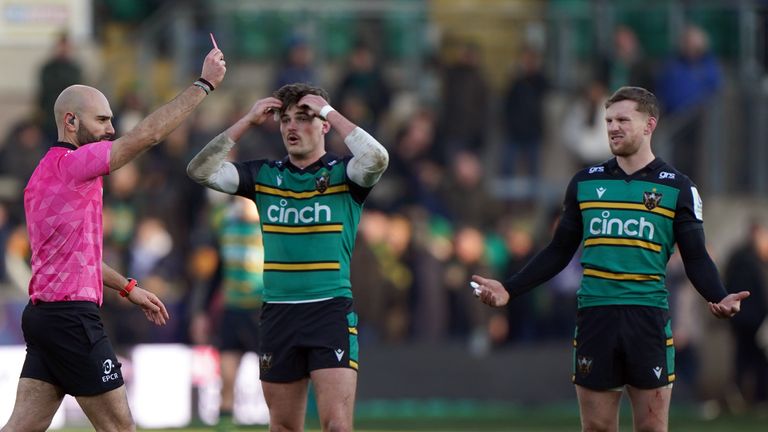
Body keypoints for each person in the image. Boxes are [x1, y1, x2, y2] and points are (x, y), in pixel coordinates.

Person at [471, 86, 750, 432]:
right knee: (597, 428)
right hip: (595, 318)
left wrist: (716, 294)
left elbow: (695, 256)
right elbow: (558, 250)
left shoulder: (678, 188)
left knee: (651, 428)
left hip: (647, 319)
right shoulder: (585, 183)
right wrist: (510, 289)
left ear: (650, 124)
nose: (613, 127)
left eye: (622, 119)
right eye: (608, 120)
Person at [1, 47, 226, 432]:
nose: (111, 128)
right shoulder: (73, 166)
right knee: (121, 429)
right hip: (72, 319)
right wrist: (203, 85)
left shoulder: (43, 176)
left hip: (45, 317)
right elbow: (147, 136)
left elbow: (77, 259)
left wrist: (128, 288)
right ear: (71, 121)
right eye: (102, 120)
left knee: (21, 428)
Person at [187, 83, 389, 431]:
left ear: (323, 125)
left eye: (303, 118)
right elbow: (200, 170)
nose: (292, 127)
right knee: (282, 428)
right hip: (279, 314)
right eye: (285, 120)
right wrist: (247, 121)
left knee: (337, 426)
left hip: (329, 311)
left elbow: (378, 158)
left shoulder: (346, 175)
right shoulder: (265, 176)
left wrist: (328, 111)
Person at [189, 196, 265, 431]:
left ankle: (282, 420)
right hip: (232, 309)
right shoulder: (225, 225)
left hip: (263, 310)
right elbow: (216, 273)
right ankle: (225, 423)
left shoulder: (270, 226)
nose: (241, 203)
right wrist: (202, 312)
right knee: (227, 376)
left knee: (273, 379)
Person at [724, 220, 768, 408]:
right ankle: (755, 398)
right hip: (753, 320)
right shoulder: (750, 261)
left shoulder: (738, 258)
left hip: (740, 319)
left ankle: (740, 396)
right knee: (755, 361)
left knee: (743, 359)